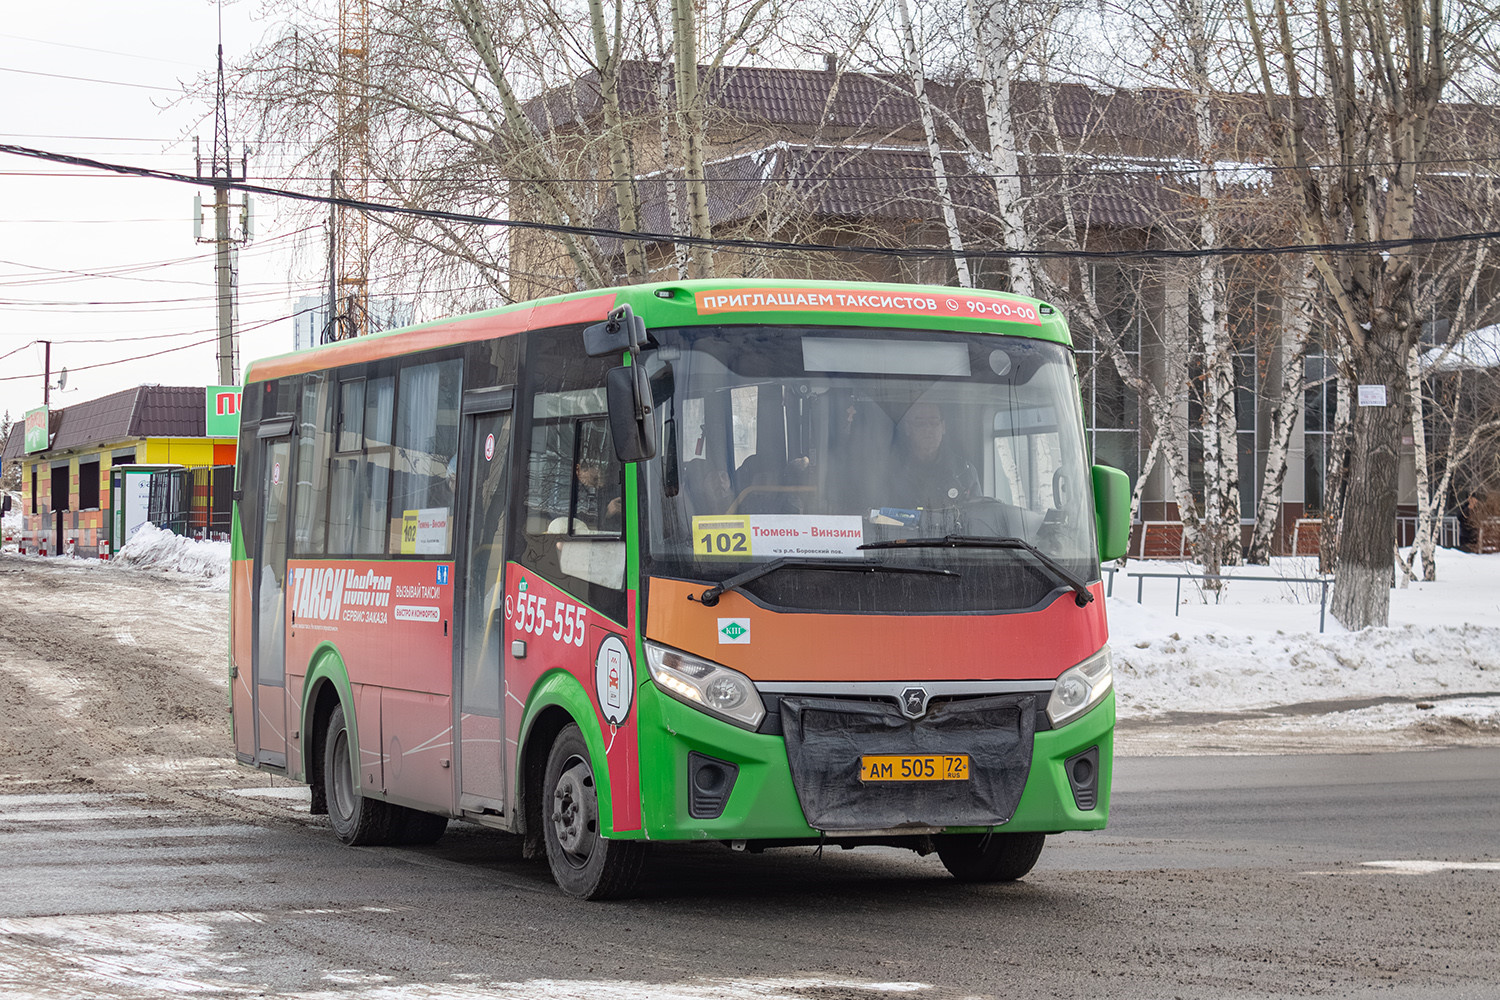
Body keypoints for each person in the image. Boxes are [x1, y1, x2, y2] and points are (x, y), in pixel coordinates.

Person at [886, 401, 978, 510]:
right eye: (920, 424)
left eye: (934, 423)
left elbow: (978, 517)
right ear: (908, 428)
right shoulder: (891, 472)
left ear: (943, 427)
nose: (928, 429)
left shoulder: (964, 471)